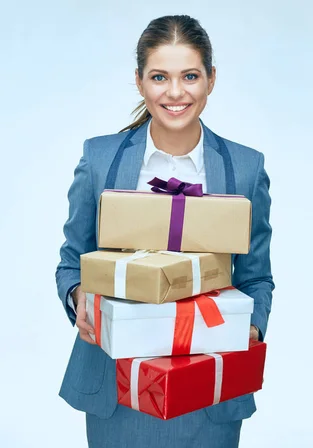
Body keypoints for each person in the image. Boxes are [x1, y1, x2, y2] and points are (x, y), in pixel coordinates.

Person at [55, 15, 274, 448]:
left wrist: (250, 329)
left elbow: (256, 276)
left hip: (208, 387)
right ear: (139, 81)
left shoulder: (245, 169)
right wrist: (81, 299)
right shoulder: (100, 160)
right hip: (117, 386)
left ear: (211, 79)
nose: (175, 93)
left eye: (190, 76)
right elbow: (71, 260)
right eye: (160, 77)